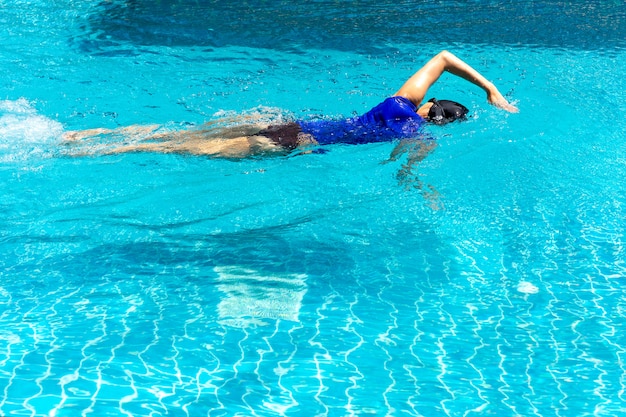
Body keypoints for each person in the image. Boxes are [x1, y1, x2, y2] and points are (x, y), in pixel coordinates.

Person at [63, 51, 518, 158]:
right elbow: (406, 168)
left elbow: (442, 57)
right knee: (168, 149)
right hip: (292, 144)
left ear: (430, 102)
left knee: (181, 132)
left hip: (289, 122)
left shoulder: (399, 104)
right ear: (436, 124)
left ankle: (87, 136)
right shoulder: (414, 133)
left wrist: (490, 88)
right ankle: (100, 150)